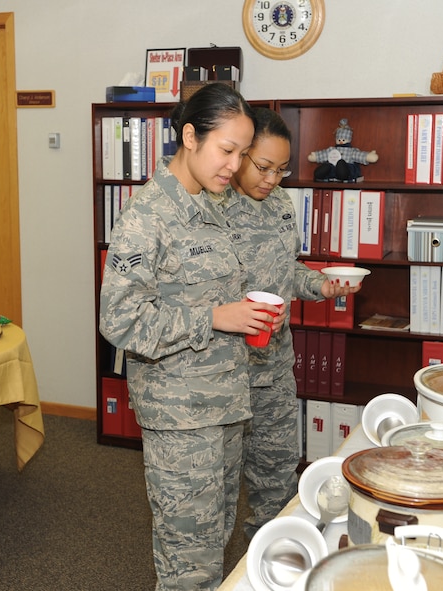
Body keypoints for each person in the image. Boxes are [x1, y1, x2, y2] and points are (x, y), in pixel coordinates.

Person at [99, 83, 282, 590]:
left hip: (224, 402)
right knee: (189, 562)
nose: (236, 165)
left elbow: (214, 291)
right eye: (228, 151)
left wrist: (247, 313)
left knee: (214, 540)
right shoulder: (147, 216)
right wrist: (215, 318)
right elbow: (120, 320)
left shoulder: (214, 203)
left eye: (243, 154)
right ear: (189, 137)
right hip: (180, 417)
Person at [222, 108, 361, 539]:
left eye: (281, 170)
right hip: (225, 372)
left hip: (274, 367)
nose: (271, 179)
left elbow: (288, 271)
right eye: (263, 167)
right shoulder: (210, 206)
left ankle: (271, 565)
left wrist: (322, 285)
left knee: (279, 483)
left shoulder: (280, 202)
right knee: (218, 497)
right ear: (240, 154)